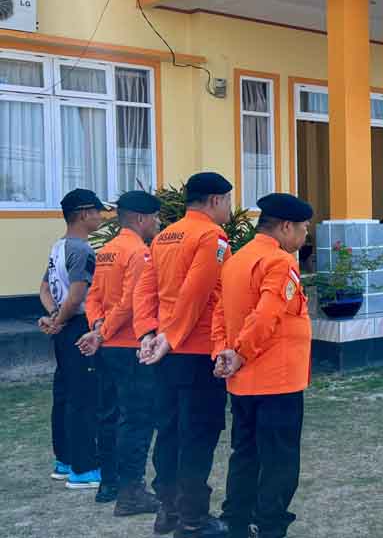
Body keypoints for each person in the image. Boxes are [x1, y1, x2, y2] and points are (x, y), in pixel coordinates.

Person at [135, 172, 234, 537]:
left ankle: (168, 510)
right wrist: (171, 337)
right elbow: (198, 290)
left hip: (165, 353)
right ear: (214, 201)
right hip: (194, 350)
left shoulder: (164, 236)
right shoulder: (212, 237)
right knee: (198, 433)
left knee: (170, 429)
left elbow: (145, 289)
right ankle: (192, 518)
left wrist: (149, 332)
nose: (228, 207)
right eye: (227, 200)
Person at [213, 193, 313, 538]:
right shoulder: (280, 262)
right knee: (280, 460)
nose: (305, 236)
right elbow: (267, 314)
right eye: (302, 228)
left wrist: (223, 352)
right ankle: (269, 525)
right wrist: (239, 352)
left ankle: (236, 519)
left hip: (243, 381)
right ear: (285, 227)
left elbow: (220, 313)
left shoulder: (236, 260)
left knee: (245, 453)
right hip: (277, 380)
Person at [75, 190, 164, 516]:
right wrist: (103, 331)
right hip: (130, 346)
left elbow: (93, 296)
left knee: (109, 415)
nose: (158, 223)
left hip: (108, 346)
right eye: (155, 217)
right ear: (141, 219)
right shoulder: (139, 252)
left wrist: (98, 327)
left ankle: (109, 483)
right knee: (137, 420)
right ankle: (131, 491)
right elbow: (131, 302)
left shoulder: (108, 250)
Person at [40, 188, 105, 490]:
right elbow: (78, 294)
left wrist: (54, 317)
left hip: (63, 325)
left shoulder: (58, 247)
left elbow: (43, 288)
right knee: (83, 397)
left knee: (64, 393)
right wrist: (62, 319)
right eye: (97, 211)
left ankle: (64, 460)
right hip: (77, 324)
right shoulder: (83, 250)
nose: (101, 216)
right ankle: (84, 468)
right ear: (83, 214)